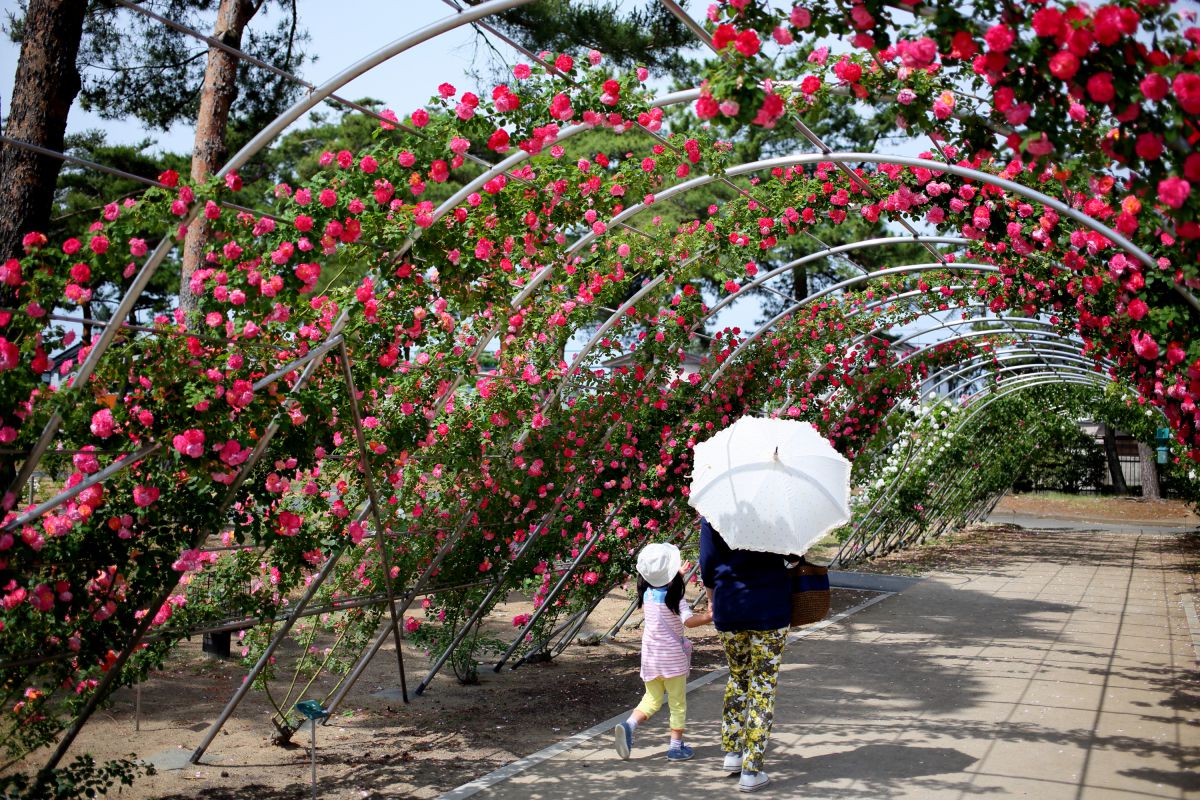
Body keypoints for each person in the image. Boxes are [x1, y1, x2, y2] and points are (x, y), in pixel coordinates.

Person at [698, 516, 791, 793]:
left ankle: (732, 753)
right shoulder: (778, 512)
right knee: (763, 686)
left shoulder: (715, 512)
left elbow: (707, 565)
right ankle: (752, 769)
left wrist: (712, 598)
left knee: (738, 677)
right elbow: (795, 556)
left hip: (730, 605)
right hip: (771, 608)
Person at [613, 542, 712, 762]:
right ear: (670, 576)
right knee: (677, 703)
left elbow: (660, 582)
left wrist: (675, 573)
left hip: (650, 659)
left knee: (652, 699)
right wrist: (708, 617)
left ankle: (629, 725)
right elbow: (689, 621)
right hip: (673, 661)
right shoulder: (676, 599)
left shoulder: (647, 594)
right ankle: (676, 747)